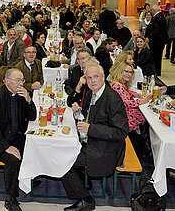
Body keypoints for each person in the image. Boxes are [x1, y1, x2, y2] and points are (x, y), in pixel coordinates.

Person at [61, 64, 128, 211]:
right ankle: (81, 185)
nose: (92, 81)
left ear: (103, 77)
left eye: (96, 77)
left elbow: (121, 132)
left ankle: (86, 200)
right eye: (89, 77)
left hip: (105, 148)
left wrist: (91, 129)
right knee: (62, 154)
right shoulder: (92, 92)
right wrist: (78, 113)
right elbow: (88, 118)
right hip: (91, 141)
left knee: (63, 164)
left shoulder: (112, 99)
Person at [0, 68, 36, 211]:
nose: (21, 83)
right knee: (13, 159)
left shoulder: (21, 95)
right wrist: (5, 147)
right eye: (18, 80)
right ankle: (11, 198)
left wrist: (28, 100)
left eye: (22, 80)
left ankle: (26, 177)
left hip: (14, 136)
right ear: (7, 81)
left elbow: (33, 116)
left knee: (32, 149)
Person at [109, 62, 150, 158]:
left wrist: (137, 95)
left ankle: (141, 139)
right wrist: (141, 101)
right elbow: (127, 103)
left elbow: (126, 93)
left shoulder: (119, 84)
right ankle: (141, 144)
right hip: (121, 117)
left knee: (143, 114)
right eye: (126, 71)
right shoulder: (117, 85)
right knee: (145, 115)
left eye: (130, 72)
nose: (129, 74)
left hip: (121, 112)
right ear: (120, 72)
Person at [145, 5, 169, 76]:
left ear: (153, 10)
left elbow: (156, 30)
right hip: (159, 41)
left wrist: (149, 37)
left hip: (157, 41)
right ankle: (157, 70)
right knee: (158, 56)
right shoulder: (161, 16)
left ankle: (156, 71)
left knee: (156, 56)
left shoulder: (157, 18)